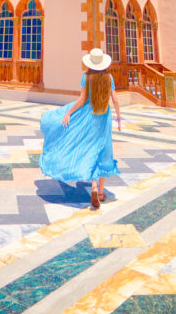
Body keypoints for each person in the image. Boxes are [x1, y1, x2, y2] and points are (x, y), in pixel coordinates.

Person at [39, 47, 121, 209]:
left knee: (89, 150)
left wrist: (68, 112)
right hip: (103, 118)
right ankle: (101, 191)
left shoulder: (86, 77)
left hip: (88, 117)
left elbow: (82, 99)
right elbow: (116, 100)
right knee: (103, 151)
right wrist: (118, 118)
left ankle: (94, 187)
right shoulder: (109, 77)